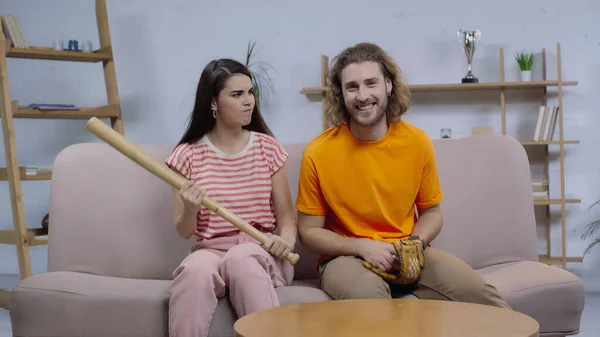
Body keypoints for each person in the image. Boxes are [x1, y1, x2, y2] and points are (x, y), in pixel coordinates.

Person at [295, 42, 510, 308]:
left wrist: (415, 243)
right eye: (352, 87)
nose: (362, 96)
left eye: (370, 83)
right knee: (373, 305)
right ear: (341, 93)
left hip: (409, 251)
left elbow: (432, 213)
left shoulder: (417, 142)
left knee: (486, 299)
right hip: (346, 258)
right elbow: (308, 233)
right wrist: (362, 247)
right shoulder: (318, 151)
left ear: (388, 84)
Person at [165, 58, 298, 337]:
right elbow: (184, 230)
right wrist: (190, 209)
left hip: (261, 250)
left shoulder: (268, 148)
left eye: (250, 92)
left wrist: (284, 241)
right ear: (213, 103)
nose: (248, 101)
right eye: (237, 94)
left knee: (241, 257)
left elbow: (286, 218)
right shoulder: (186, 156)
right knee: (194, 271)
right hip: (210, 250)